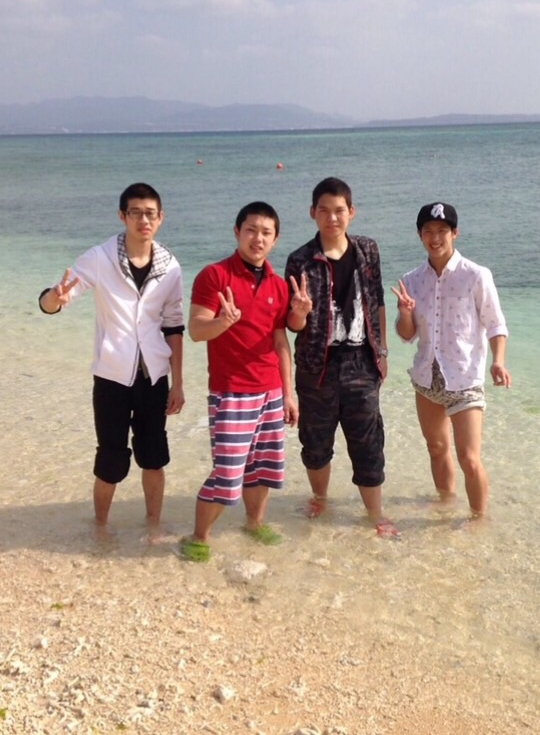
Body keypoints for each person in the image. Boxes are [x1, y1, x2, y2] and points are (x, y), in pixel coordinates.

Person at [38, 182, 185, 534]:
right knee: (110, 459)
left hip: (154, 377)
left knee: (154, 457)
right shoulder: (100, 258)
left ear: (161, 218)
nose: (143, 220)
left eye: (150, 214)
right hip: (111, 377)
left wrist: (178, 382)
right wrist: (55, 299)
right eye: (136, 213)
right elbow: (54, 299)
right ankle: (100, 528)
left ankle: (153, 526)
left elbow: (174, 326)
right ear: (123, 216)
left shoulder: (170, 266)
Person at [183, 201, 298, 562]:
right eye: (251, 230)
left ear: (275, 239)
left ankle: (253, 524)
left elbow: (280, 341)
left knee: (263, 468)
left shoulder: (279, 286)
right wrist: (223, 322)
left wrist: (289, 393)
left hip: (271, 390)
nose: (257, 238)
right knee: (227, 473)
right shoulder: (214, 276)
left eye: (266, 233)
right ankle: (199, 536)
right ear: (237, 232)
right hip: (231, 391)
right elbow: (196, 330)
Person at [285, 177, 399, 539]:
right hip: (316, 366)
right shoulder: (300, 260)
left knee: (368, 442)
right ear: (312, 213)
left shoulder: (368, 250)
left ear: (351, 212)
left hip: (361, 362)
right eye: (324, 211)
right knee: (315, 442)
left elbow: (377, 302)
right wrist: (299, 312)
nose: (332, 218)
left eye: (339, 210)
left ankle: (375, 514)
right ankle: (320, 499)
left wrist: (382, 351)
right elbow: (292, 324)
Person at [391, 202, 511, 518]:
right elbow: (406, 335)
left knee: (469, 458)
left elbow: (496, 324)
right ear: (419, 235)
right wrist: (405, 313)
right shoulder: (412, 279)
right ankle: (445, 505)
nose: (435, 238)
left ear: (454, 233)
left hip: (465, 379)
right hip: (426, 378)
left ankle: (478, 519)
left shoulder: (476, 275)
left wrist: (498, 361)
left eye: (442, 231)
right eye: (428, 231)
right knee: (436, 449)